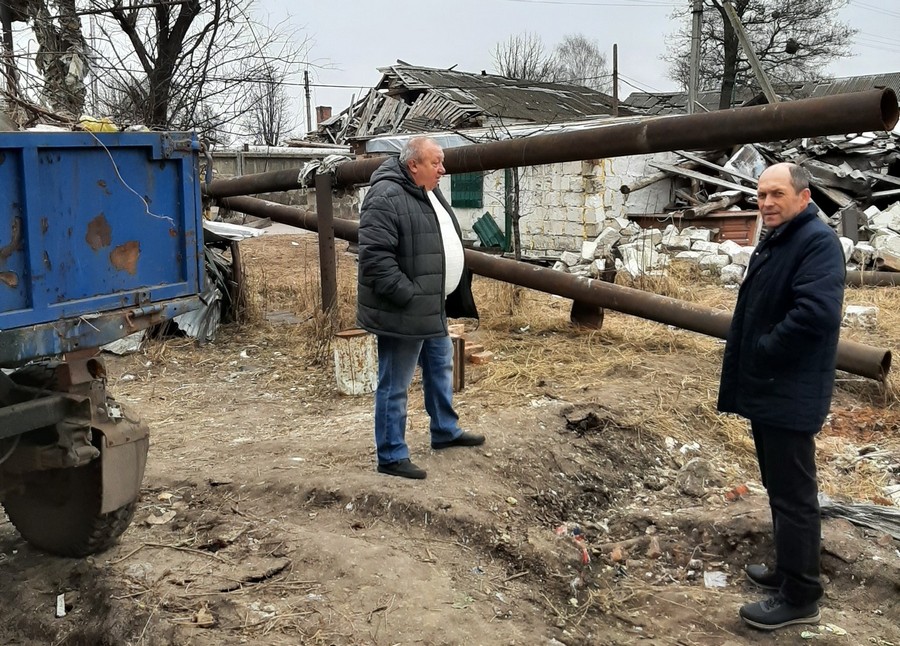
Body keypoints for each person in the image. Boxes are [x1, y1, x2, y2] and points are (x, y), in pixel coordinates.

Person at [718, 162, 845, 631]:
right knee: (779, 487)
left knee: (794, 496)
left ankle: (801, 595)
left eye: (777, 194)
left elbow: (816, 314)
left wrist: (766, 349)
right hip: (771, 388)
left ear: (804, 197)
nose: (767, 203)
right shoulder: (782, 237)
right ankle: (786, 571)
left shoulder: (816, 242)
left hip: (788, 388)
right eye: (761, 195)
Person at [356, 136, 484, 480]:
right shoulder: (385, 197)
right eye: (436, 163)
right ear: (413, 164)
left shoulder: (426, 189)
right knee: (395, 383)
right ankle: (391, 454)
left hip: (432, 305)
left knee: (441, 367)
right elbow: (374, 258)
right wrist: (408, 295)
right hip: (405, 309)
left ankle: (444, 430)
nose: (443, 169)